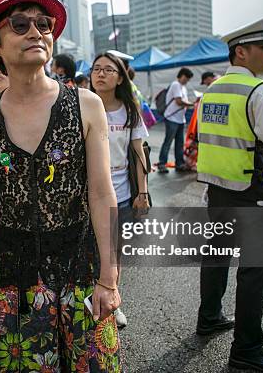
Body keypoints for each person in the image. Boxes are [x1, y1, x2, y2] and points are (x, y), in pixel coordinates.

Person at [0, 0, 122, 370]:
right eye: (20, 24)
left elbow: (103, 195)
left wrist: (110, 276)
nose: (36, 32)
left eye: (44, 24)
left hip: (80, 266)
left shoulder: (85, 105)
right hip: (13, 273)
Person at [196, 16, 263, 373]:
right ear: (242, 52)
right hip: (254, 196)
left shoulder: (212, 91)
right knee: (254, 272)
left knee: (217, 257)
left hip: (218, 193)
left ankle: (209, 317)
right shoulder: (260, 92)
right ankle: (247, 350)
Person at [90, 52, 150, 330]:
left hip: (122, 194)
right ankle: (91, 299)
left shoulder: (129, 110)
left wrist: (143, 192)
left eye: (108, 70)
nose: (101, 74)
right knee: (90, 251)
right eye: (96, 69)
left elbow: (139, 153)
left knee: (115, 252)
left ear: (120, 77)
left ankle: (113, 304)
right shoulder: (80, 105)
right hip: (87, 195)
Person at [157, 67, 194, 173]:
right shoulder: (176, 85)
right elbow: (179, 101)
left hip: (180, 119)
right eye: (186, 78)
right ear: (182, 75)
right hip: (172, 118)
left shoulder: (183, 87)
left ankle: (180, 163)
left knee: (179, 142)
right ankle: (162, 163)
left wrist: (189, 104)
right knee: (168, 141)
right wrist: (192, 104)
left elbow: (183, 101)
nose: (187, 80)